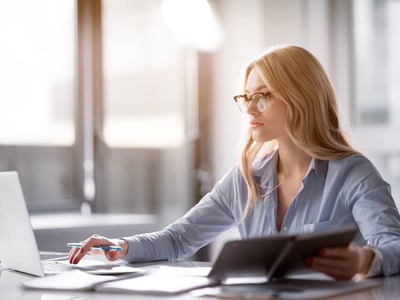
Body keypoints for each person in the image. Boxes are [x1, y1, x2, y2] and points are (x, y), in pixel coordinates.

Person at [69, 44, 400, 280]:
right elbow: (179, 239)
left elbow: (394, 245)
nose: (250, 110)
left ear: (301, 97)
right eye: (246, 97)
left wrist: (364, 259)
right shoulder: (247, 179)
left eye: (263, 96)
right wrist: (122, 245)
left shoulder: (354, 174)